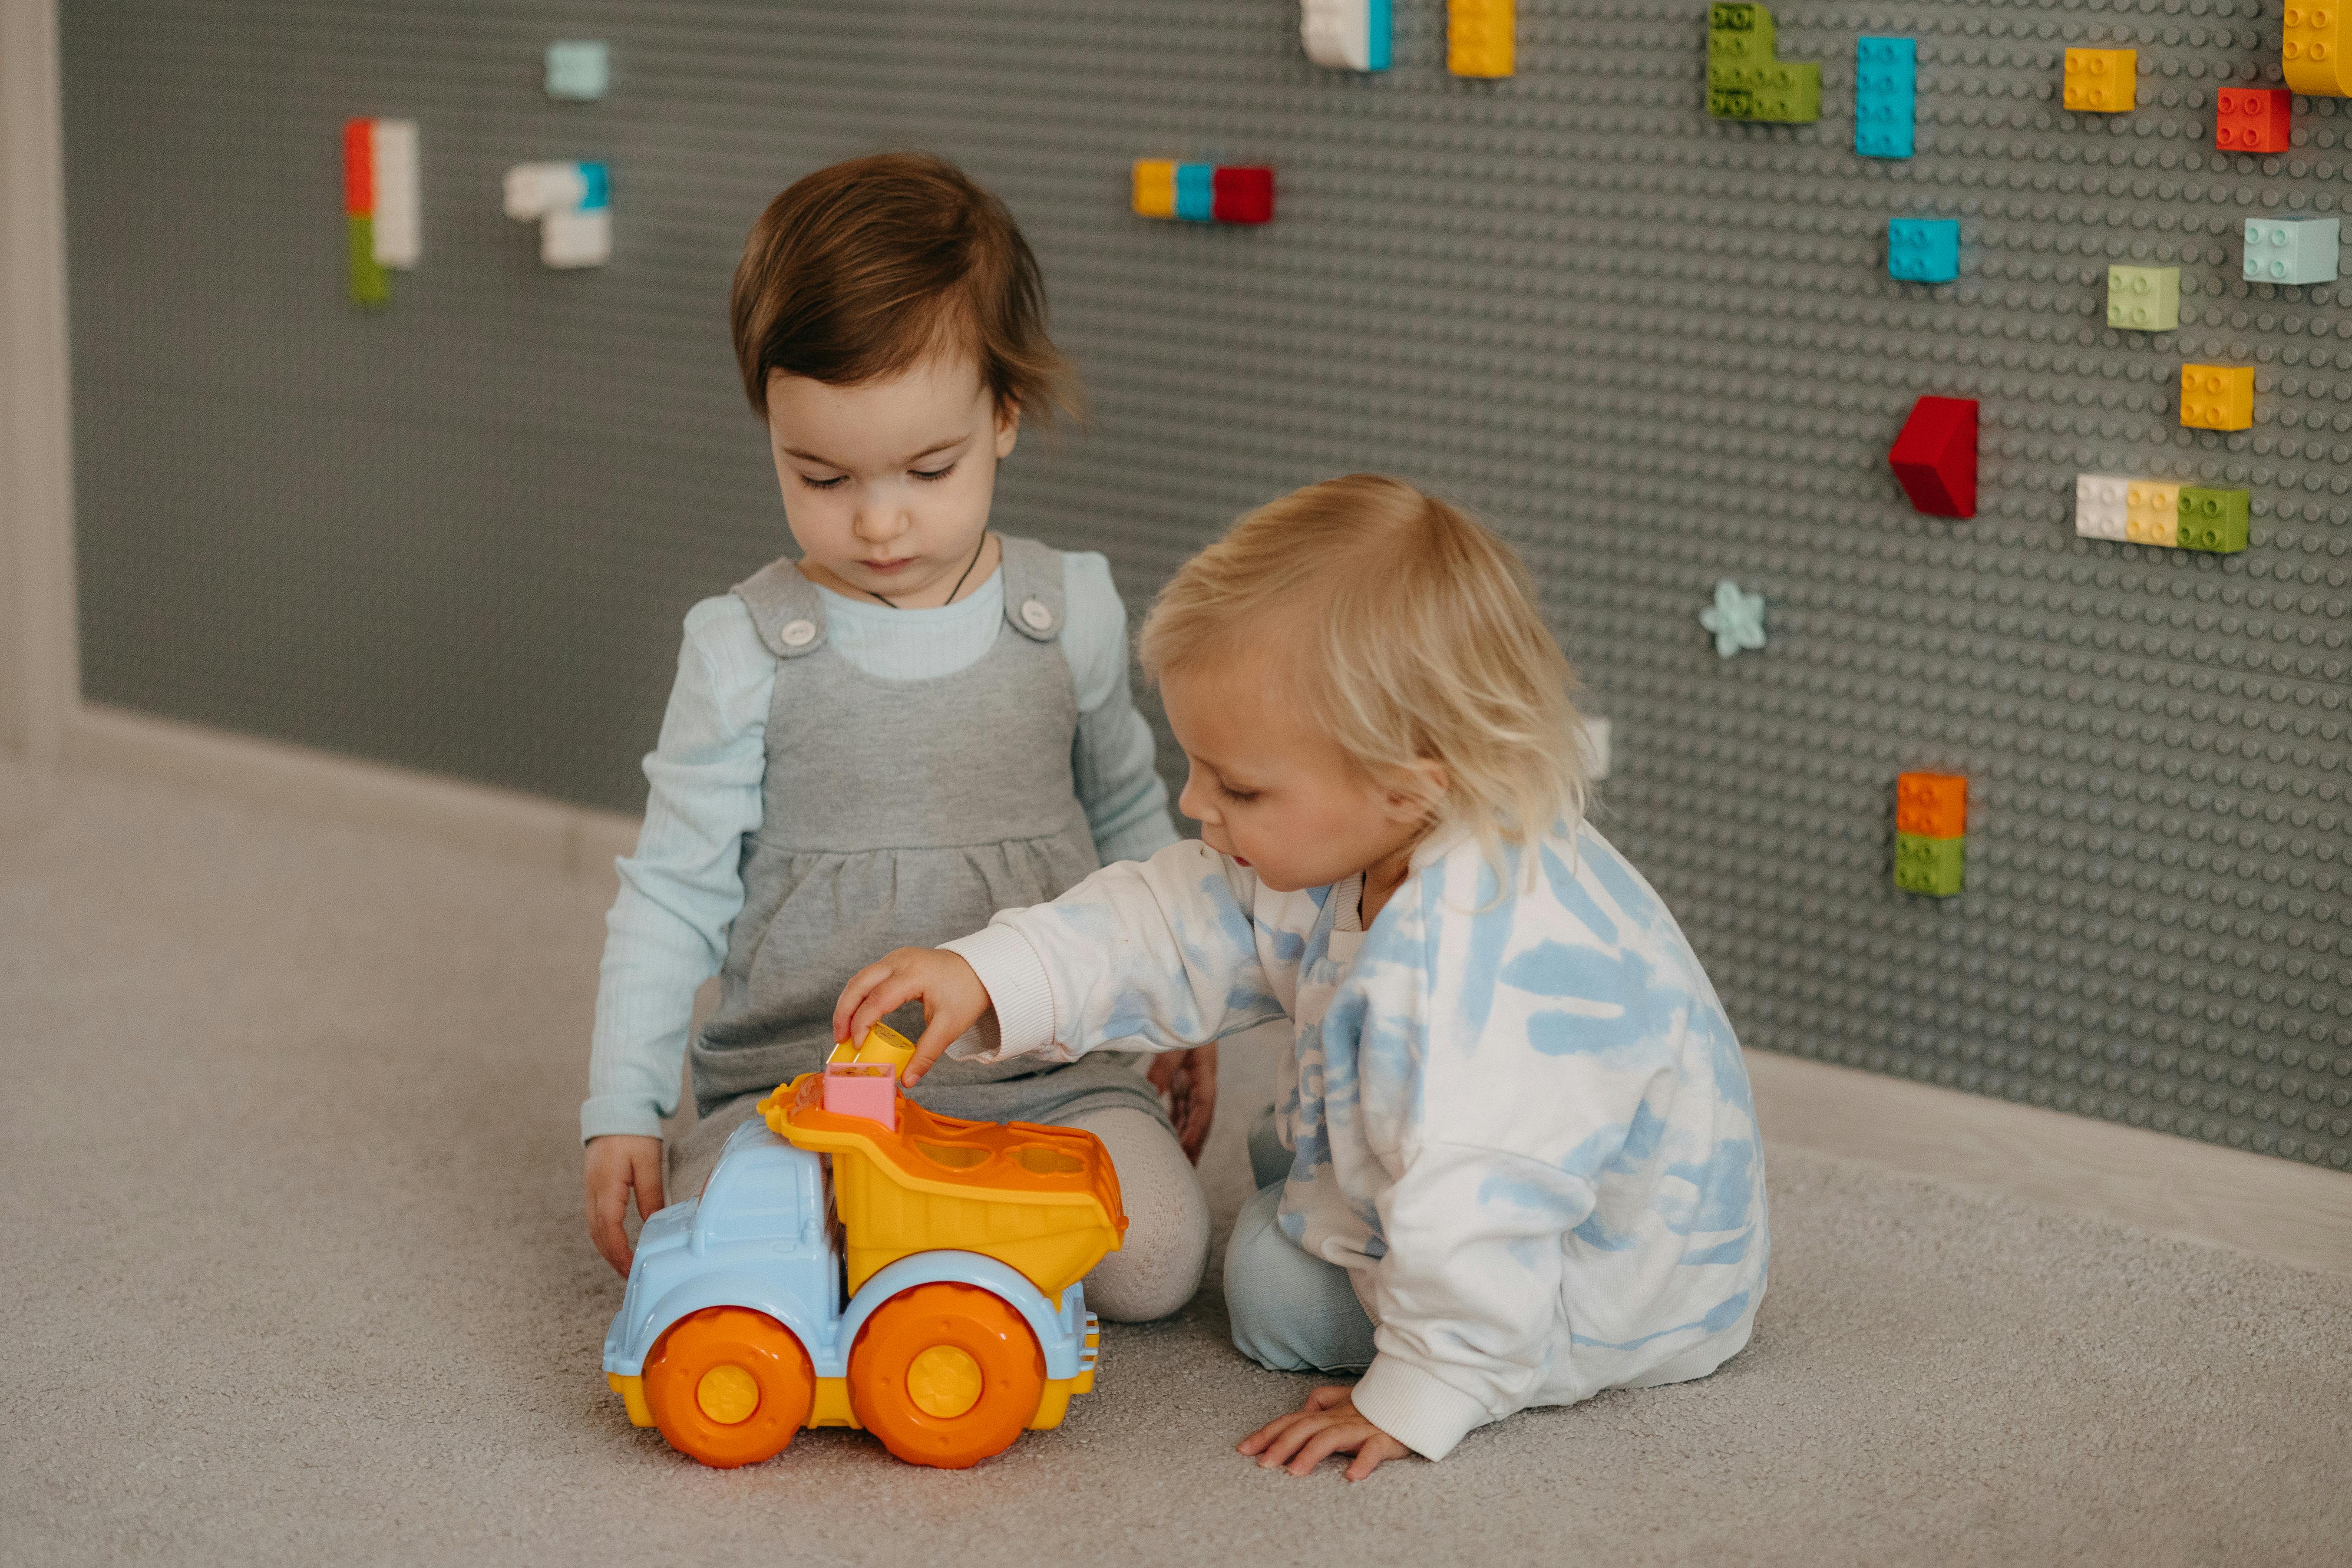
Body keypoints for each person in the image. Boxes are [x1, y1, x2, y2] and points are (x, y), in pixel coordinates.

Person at [834, 475, 1769, 1479]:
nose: (1194, 804)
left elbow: (1478, 1205)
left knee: (1269, 1284)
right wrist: (989, 973)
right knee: (1291, 1150)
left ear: (1407, 784)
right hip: (1468, 1160)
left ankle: (1407, 1294)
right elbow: (1166, 921)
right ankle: (1348, 1185)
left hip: (1602, 1282)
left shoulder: (1473, 979)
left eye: (1236, 786)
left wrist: (1421, 1393)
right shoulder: (1367, 835)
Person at [581, 152, 1216, 1323]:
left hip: (1050, 1067)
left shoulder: (1063, 606)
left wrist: (1176, 1010)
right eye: (820, 475)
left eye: (930, 469)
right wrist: (623, 1104)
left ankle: (952, 1260)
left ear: (1004, 417)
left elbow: (1136, 825)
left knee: (1159, 1262)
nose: (878, 521)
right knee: (768, 1272)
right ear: (771, 427)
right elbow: (672, 894)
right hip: (806, 1080)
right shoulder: (745, 645)